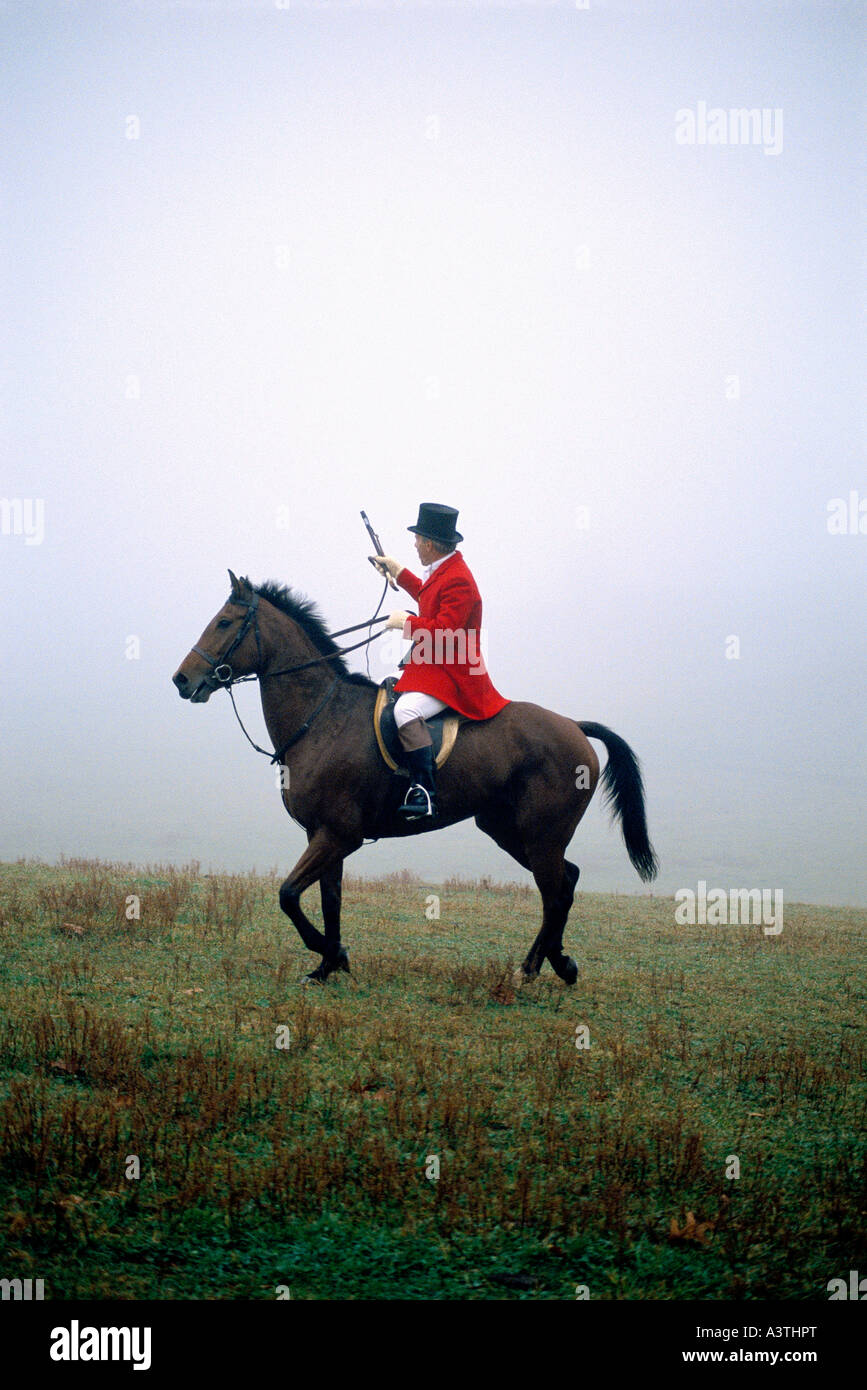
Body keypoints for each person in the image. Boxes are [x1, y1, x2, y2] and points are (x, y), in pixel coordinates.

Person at [372, 503, 509, 820]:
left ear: (430, 544)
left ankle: (424, 792)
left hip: (456, 674)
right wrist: (398, 571)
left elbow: (446, 632)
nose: (415, 545)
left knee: (405, 710)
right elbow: (428, 596)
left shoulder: (459, 580)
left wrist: (405, 624)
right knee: (386, 685)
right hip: (435, 664)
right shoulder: (444, 570)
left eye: (418, 540)